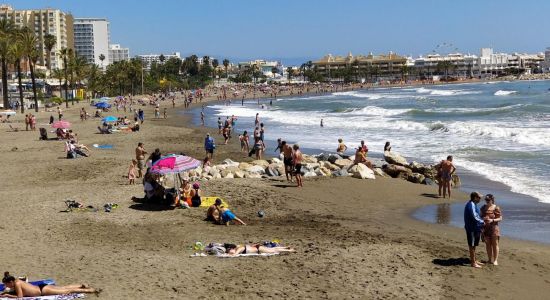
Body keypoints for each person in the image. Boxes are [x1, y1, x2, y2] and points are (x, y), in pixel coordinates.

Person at [1, 272, 98, 298]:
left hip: (43, 291)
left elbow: (20, 297)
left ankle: (89, 290)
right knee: (62, 288)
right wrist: (7, 290)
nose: (7, 286)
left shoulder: (17, 284)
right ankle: (82, 285)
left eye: (7, 285)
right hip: (41, 287)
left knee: (67, 291)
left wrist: (7, 295)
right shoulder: (17, 280)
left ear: (11, 282)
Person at [464, 192, 486, 268]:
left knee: (474, 245)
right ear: (475, 198)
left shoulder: (473, 204)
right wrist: (483, 222)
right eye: (479, 197)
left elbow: (477, 216)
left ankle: (474, 260)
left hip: (475, 227)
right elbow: (474, 217)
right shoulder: (471, 205)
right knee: (472, 245)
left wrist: (482, 220)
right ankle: (473, 263)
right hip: (472, 228)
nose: (480, 199)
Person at [480, 194, 503, 265]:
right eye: (486, 200)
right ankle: (489, 259)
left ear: (492, 200)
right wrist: (483, 219)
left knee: (495, 244)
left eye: (488, 200)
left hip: (494, 228)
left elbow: (500, 218)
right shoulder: (483, 208)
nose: (487, 201)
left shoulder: (496, 207)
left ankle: (495, 260)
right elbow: (480, 216)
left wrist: (492, 220)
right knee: (488, 244)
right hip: (485, 228)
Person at [224, 244, 295, 256]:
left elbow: (235, 254)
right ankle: (286, 247)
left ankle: (289, 250)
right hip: (258, 248)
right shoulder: (239, 247)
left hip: (258, 249)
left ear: (232, 249)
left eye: (229, 251)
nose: (229, 252)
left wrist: (227, 254)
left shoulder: (239, 249)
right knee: (273, 249)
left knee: (273, 250)